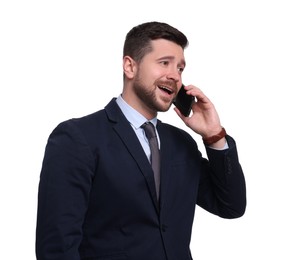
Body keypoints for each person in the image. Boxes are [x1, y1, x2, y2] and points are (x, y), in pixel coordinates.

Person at [36, 21, 246, 260]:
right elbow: (57, 248)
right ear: (130, 67)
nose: (175, 76)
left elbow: (231, 206)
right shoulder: (77, 138)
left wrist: (214, 135)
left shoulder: (182, 144)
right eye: (164, 63)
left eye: (180, 68)